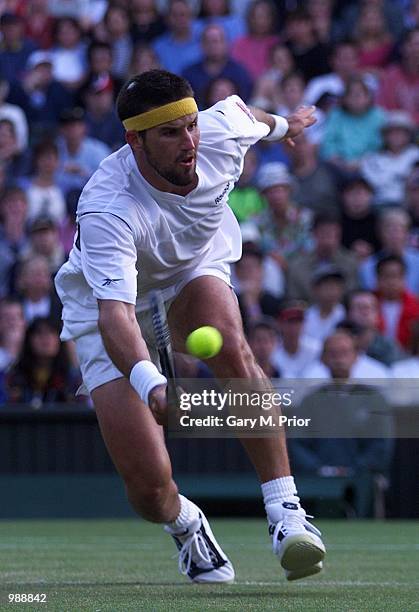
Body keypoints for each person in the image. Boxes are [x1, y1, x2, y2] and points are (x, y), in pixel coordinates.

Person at [54, 68, 326, 584]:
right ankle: (185, 525)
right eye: (170, 133)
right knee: (149, 491)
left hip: (192, 270)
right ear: (135, 140)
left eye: (190, 125)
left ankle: (286, 513)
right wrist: (150, 382)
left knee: (231, 346)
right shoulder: (107, 207)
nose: (188, 142)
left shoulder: (219, 130)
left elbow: (258, 121)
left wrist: (288, 125)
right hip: (111, 306)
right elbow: (115, 314)